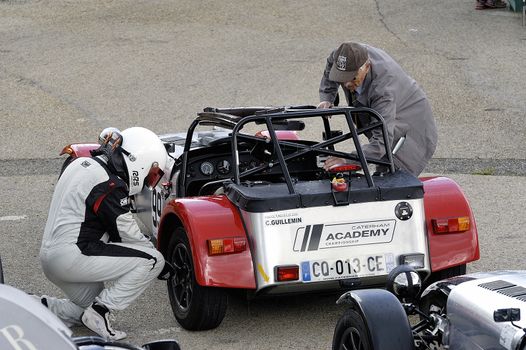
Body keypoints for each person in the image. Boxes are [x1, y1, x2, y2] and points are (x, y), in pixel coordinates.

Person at [35, 127, 168, 341]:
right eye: (151, 173)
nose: (148, 180)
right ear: (140, 161)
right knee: (153, 260)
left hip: (51, 257)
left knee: (82, 311)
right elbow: (127, 235)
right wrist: (164, 263)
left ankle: (35, 307)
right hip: (73, 257)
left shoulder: (79, 163)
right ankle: (102, 311)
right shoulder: (110, 184)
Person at [318, 42, 437, 176]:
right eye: (342, 77)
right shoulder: (343, 55)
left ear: (366, 67)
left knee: (389, 179)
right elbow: (331, 67)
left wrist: (347, 159)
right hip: (385, 108)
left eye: (352, 78)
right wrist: (327, 97)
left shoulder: (383, 90)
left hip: (412, 127)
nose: (346, 84)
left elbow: (381, 141)